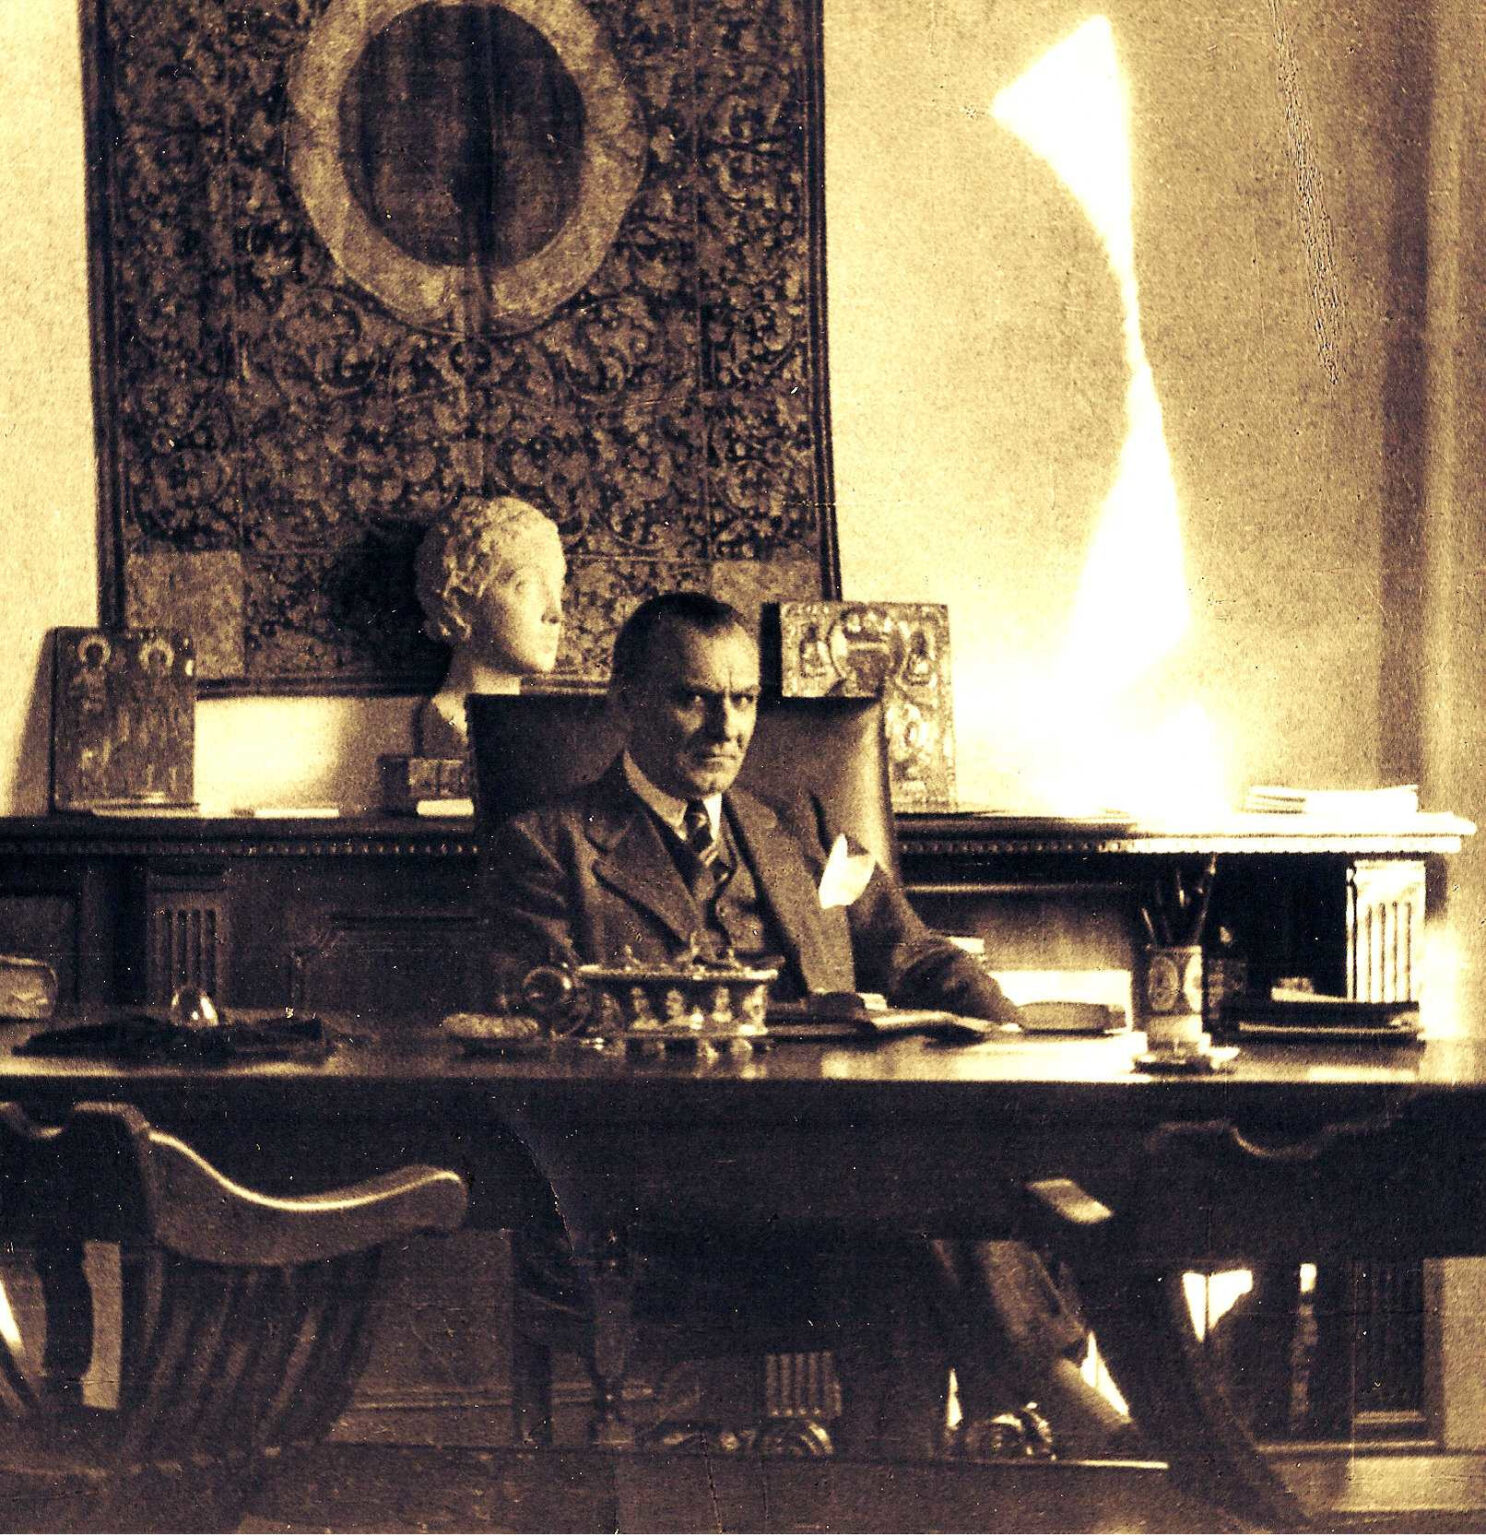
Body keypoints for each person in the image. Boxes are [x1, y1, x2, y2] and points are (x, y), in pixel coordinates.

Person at [487, 592, 1134, 1457]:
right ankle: (1060, 1399)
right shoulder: (545, 847)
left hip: (832, 1165)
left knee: (913, 1206)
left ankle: (905, 1478)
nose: (726, 728)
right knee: (919, 1185)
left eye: (743, 699)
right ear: (625, 702)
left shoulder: (805, 829)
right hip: (666, 1174)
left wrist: (1010, 1037)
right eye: (693, 698)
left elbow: (914, 953)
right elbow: (543, 1012)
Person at [413, 495, 566, 757]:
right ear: (461, 600)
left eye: (559, 587)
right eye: (526, 586)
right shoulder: (453, 721)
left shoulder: (535, 727)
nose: (556, 613)